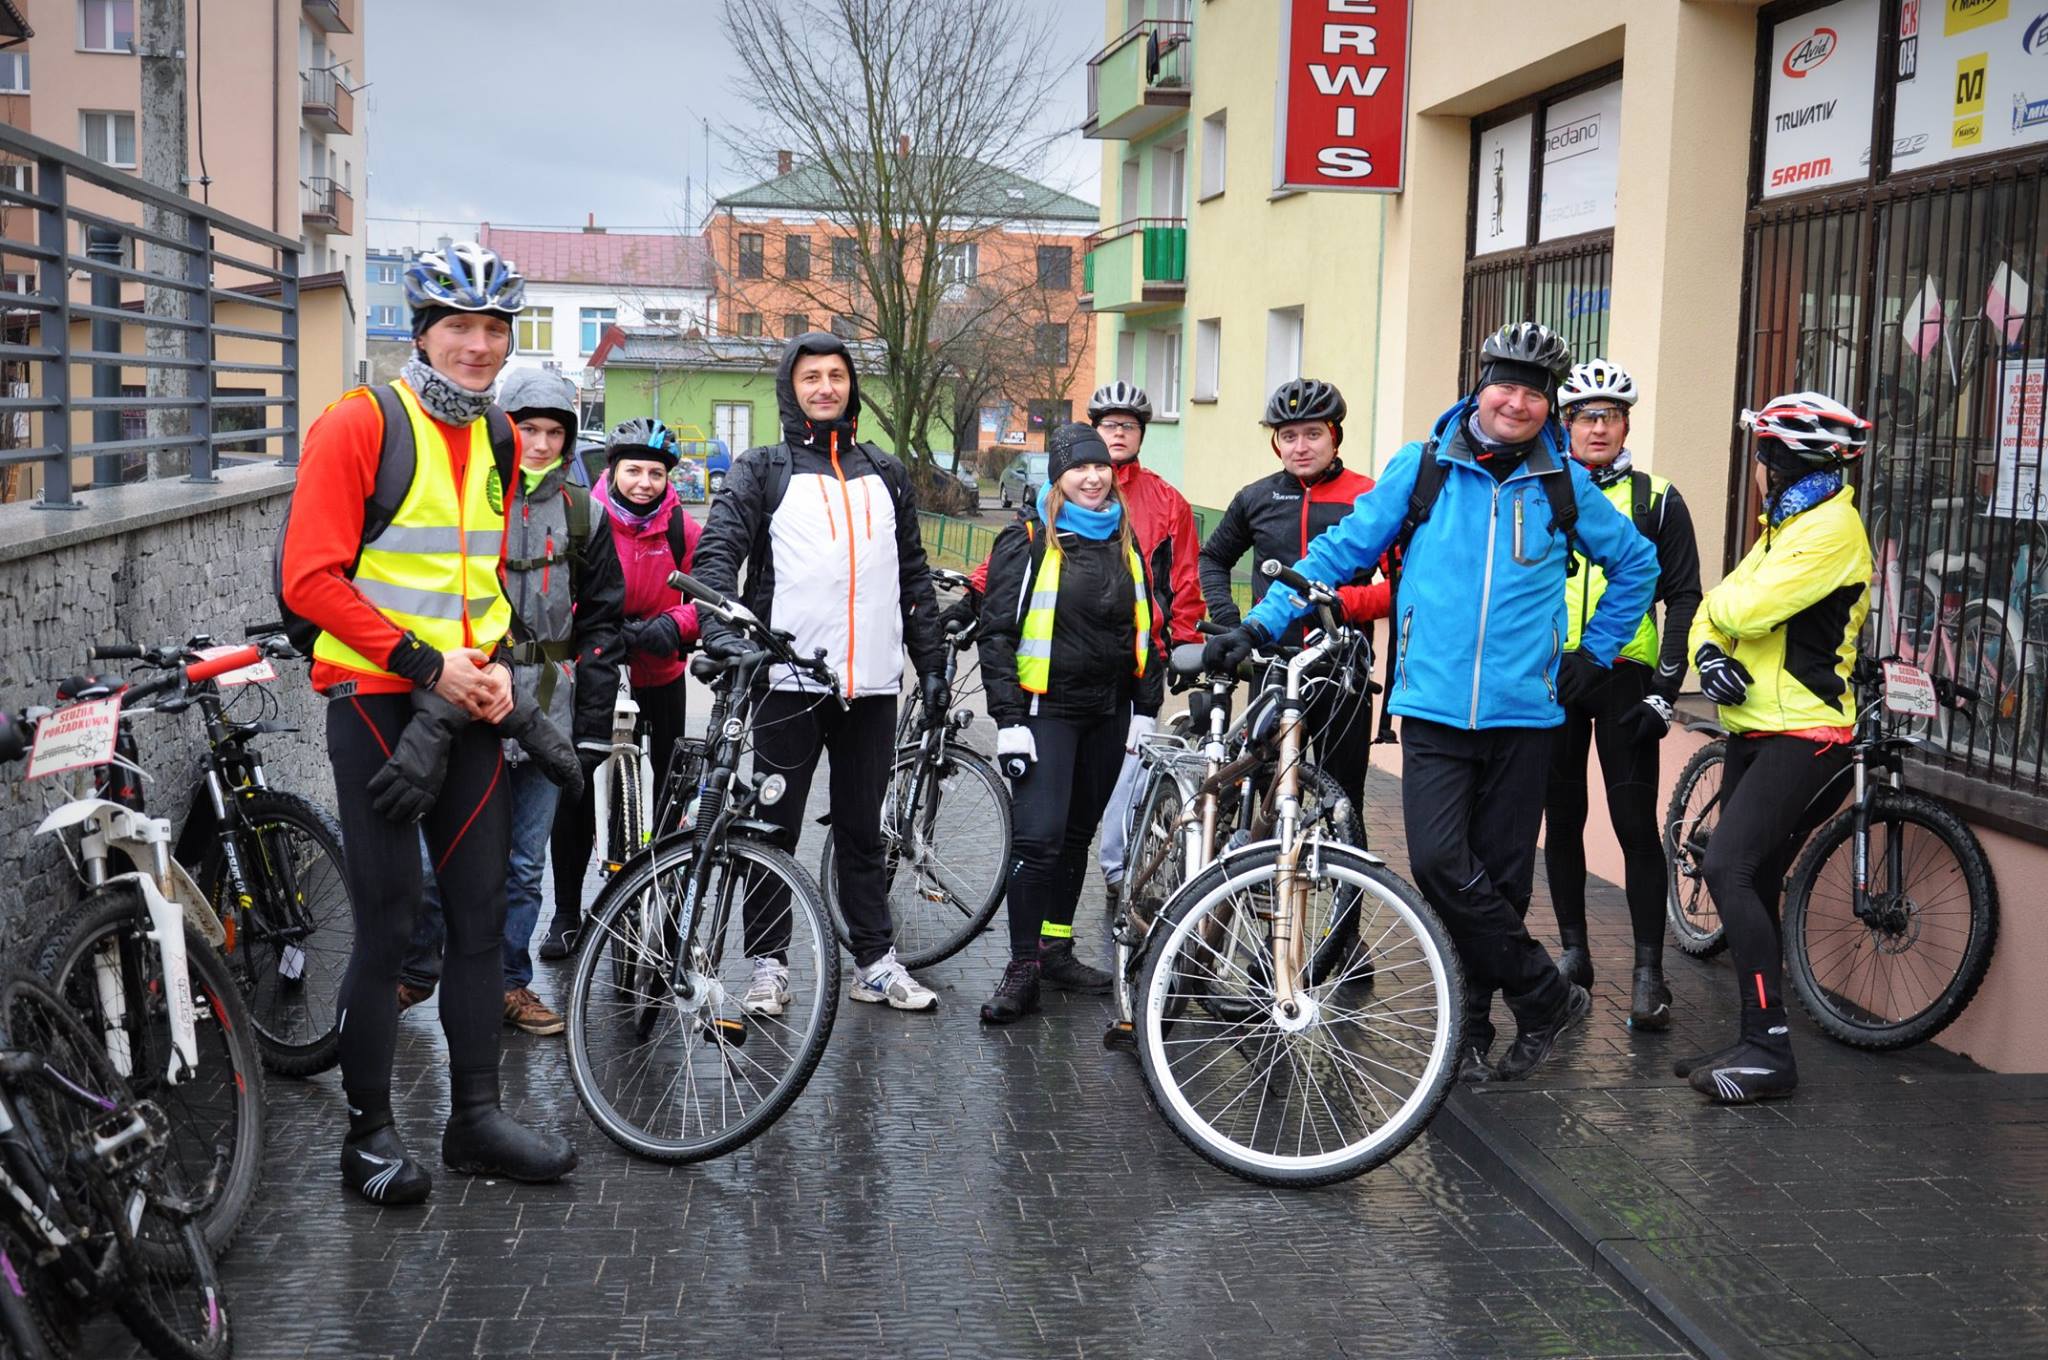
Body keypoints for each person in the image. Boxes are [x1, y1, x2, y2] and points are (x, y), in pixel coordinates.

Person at [1202, 323, 1659, 1084]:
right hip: (1434, 708)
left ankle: (1472, 1027)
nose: (1517, 403)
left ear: (1548, 406)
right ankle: (1544, 993)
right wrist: (1258, 625)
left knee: (1502, 880)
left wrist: (1594, 653)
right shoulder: (1423, 469)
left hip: (1526, 714)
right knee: (1442, 864)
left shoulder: (1563, 484)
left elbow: (1637, 565)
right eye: (1505, 386)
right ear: (1480, 386)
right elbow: (1338, 554)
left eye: (1535, 393)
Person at [279, 240, 576, 1204]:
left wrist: (492, 672)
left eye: (495, 328)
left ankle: (475, 1120)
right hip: (375, 700)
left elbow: (477, 581)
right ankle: (367, 1134)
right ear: (423, 331)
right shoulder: (361, 421)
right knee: (391, 923)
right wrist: (425, 665)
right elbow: (309, 580)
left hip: (465, 698)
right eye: (460, 327)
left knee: (481, 918)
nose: (479, 346)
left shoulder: (499, 436)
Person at [690, 331, 947, 1012]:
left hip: (872, 687)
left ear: (851, 386)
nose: (825, 387)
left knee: (864, 829)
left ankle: (875, 962)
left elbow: (913, 576)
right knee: (773, 829)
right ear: (791, 388)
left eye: (836, 375)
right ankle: (768, 965)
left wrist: (932, 665)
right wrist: (722, 632)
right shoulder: (764, 468)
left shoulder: (885, 471)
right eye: (811, 377)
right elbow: (718, 552)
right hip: (787, 683)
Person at [395, 369, 626, 1038]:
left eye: (555, 432)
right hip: (466, 701)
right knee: (435, 861)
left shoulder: (585, 514)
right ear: (504, 427)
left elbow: (604, 622)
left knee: (525, 866)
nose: (542, 444)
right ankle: (418, 968)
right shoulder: (468, 496)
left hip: (549, 709)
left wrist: (591, 725)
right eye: (529, 429)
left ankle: (509, 984)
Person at [942, 382, 1201, 912]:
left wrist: (1184, 645)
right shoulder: (1051, 507)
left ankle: (1109, 884)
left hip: (1128, 674)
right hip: (1054, 689)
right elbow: (1013, 571)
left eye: (1129, 426)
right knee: (1046, 831)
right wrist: (972, 600)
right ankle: (1033, 948)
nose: (1118, 435)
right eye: (1109, 426)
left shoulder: (1164, 501)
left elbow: (1182, 581)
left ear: (1140, 435)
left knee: (1106, 806)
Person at [1682, 392, 1872, 1104]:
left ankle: (1770, 1052)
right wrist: (1709, 651)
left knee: (1727, 867)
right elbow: (1710, 617)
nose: (1758, 469)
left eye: (1762, 455)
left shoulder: (1830, 530)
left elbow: (1741, 607)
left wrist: (1718, 621)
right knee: (1751, 881)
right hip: (1756, 728)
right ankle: (1753, 1039)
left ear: (1779, 460)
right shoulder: (1784, 527)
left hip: (1808, 734)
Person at [975, 423, 1165, 1023]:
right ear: (1058, 478)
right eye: (1079, 468)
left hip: (1106, 715)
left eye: (1100, 466)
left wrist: (1146, 708)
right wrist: (1008, 718)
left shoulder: (1125, 540)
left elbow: (1145, 629)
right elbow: (997, 634)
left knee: (1077, 836)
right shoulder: (1028, 540)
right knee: (1039, 841)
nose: (1093, 477)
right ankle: (1022, 967)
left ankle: (1055, 947)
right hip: (1045, 715)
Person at [1540, 359, 1702, 1031]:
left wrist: (1666, 689)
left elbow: (1684, 595)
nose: (1598, 428)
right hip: (1553, 673)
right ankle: (1574, 954)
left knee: (1634, 825)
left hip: (1624, 675)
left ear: (1627, 424)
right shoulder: (1541, 488)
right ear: (1565, 425)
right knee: (1562, 819)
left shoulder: (1656, 497)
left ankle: (1648, 974)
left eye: (1610, 416)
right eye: (1585, 416)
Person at [536, 418, 703, 960]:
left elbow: (707, 596)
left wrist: (671, 627)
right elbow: (554, 590)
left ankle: (664, 904)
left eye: (656, 473)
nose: (644, 483)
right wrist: (599, 629)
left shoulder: (681, 530)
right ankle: (566, 913)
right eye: (633, 470)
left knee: (670, 791)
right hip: (594, 669)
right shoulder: (585, 519)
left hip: (659, 671)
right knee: (576, 788)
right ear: (612, 471)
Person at [1198, 378, 1391, 813]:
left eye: (1313, 434)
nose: (1300, 447)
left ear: (1335, 436)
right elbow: (1213, 558)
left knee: (1343, 799)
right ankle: (1263, 858)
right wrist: (1231, 623)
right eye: (1289, 436)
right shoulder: (1255, 497)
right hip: (1272, 663)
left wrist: (1346, 604)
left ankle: (1342, 859)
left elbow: (1402, 586)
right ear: (1276, 444)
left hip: (1342, 666)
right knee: (1266, 791)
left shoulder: (1368, 498)